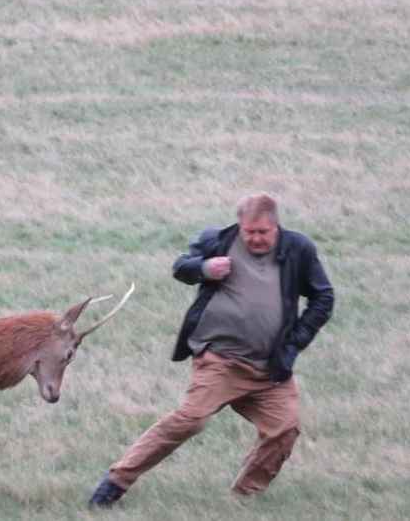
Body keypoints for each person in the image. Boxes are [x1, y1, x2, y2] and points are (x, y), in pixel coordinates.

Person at [88, 192, 334, 507]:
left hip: (269, 367)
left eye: (263, 232)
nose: (256, 239)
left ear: (277, 227)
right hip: (220, 362)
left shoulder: (299, 249)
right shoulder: (218, 240)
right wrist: (204, 268)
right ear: (240, 225)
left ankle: (244, 497)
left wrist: (294, 344)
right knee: (190, 420)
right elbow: (181, 268)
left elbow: (323, 297)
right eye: (249, 232)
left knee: (284, 429)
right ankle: (115, 482)